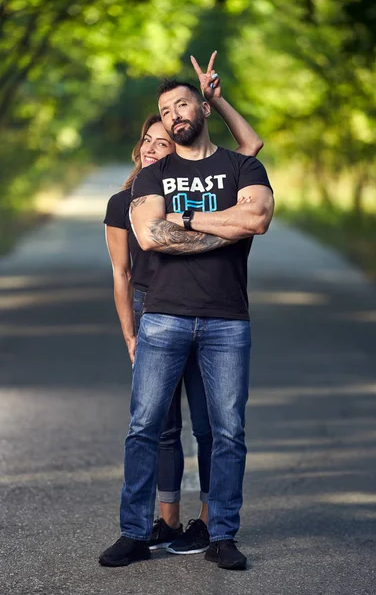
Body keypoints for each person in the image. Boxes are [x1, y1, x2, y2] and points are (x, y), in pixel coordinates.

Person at [102, 52, 264, 557]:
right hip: (164, 315)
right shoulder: (153, 176)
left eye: (182, 103)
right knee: (145, 426)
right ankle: (136, 532)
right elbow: (150, 235)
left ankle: (222, 535)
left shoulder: (243, 164)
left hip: (227, 320)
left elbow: (255, 220)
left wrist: (188, 221)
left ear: (202, 109)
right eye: (165, 110)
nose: (174, 114)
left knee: (227, 431)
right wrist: (224, 224)